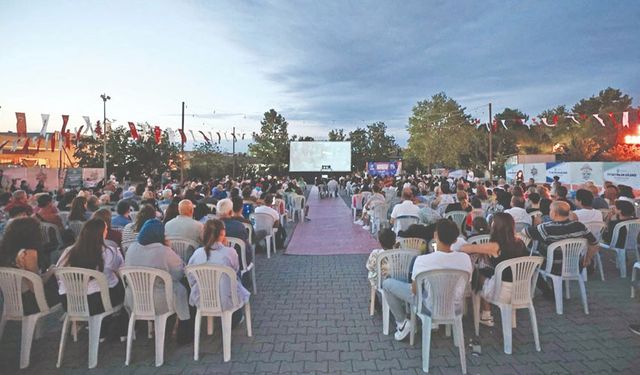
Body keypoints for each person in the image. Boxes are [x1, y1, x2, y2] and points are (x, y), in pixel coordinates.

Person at [382, 219, 472, 340]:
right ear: (456, 240)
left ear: (435, 236)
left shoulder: (423, 260)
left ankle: (402, 323)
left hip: (429, 306)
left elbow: (414, 291)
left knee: (387, 284)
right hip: (454, 306)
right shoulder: (465, 259)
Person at [56, 218, 126, 340]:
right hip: (99, 302)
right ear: (102, 233)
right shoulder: (110, 252)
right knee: (123, 286)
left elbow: (58, 273)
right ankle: (123, 328)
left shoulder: (68, 252)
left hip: (70, 302)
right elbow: (122, 272)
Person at [124, 219, 192, 343]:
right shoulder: (163, 251)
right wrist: (170, 249)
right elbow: (179, 273)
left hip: (134, 299)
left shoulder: (132, 248)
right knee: (184, 287)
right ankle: (184, 331)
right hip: (160, 301)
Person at [460, 213, 528, 326]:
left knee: (479, 273)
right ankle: (503, 317)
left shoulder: (495, 246)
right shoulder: (520, 242)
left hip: (503, 291)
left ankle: (486, 314)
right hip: (521, 289)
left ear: (495, 226)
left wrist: (481, 251)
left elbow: (465, 248)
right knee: (487, 271)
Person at [187, 219, 250, 327]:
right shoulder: (230, 252)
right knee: (236, 277)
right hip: (226, 298)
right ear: (222, 233)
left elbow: (191, 277)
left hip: (202, 298)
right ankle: (236, 317)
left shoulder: (197, 253)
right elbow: (235, 271)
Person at [0, 217, 60, 315]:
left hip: (11, 301)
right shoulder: (28, 254)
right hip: (31, 303)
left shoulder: (5, 252)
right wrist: (51, 273)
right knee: (67, 291)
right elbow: (35, 286)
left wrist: (50, 272)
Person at [525, 201, 599, 277]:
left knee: (526, 254)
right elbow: (595, 243)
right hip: (575, 266)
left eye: (550, 210)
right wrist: (587, 258)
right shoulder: (579, 226)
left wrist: (535, 223)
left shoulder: (545, 228)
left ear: (554, 213)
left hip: (552, 267)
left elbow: (525, 232)